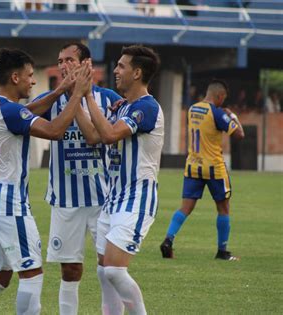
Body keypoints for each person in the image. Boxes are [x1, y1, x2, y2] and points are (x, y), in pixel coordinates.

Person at [0, 48, 92, 315]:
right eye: (28, 76)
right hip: (8, 202)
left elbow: (25, 112)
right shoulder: (11, 112)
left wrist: (61, 90)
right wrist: (76, 94)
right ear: (15, 78)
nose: (32, 81)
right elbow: (55, 130)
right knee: (32, 273)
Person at [33, 42, 121, 315]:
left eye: (69, 60)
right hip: (65, 199)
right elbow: (24, 115)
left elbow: (95, 138)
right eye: (60, 61)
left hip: (102, 198)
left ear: (86, 64)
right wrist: (67, 92)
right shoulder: (53, 98)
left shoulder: (108, 99)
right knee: (69, 269)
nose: (63, 65)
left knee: (110, 267)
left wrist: (80, 97)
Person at [75, 44, 163, 314]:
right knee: (104, 273)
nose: (116, 70)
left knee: (114, 270)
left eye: (122, 66)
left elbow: (111, 135)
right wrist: (74, 96)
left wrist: (88, 97)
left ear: (137, 73)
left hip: (137, 197)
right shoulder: (122, 106)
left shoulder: (146, 108)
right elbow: (94, 136)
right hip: (113, 198)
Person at [160, 79, 245, 261]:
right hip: (214, 167)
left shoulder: (192, 109)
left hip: (193, 166)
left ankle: (168, 239)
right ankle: (222, 251)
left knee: (185, 207)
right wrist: (233, 117)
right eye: (223, 98)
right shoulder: (217, 113)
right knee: (223, 208)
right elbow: (239, 135)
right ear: (219, 96)